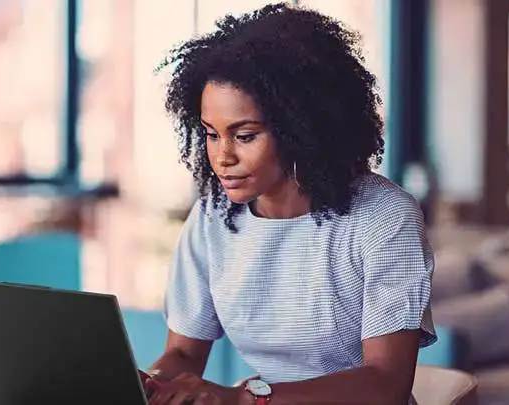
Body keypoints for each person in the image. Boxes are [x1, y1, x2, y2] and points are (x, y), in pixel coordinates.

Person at [144, 3, 435, 404]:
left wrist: (245, 399)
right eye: (212, 134)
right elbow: (183, 353)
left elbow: (385, 385)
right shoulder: (213, 216)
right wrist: (152, 382)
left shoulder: (383, 216)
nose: (222, 157)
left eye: (244, 136)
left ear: (301, 129)